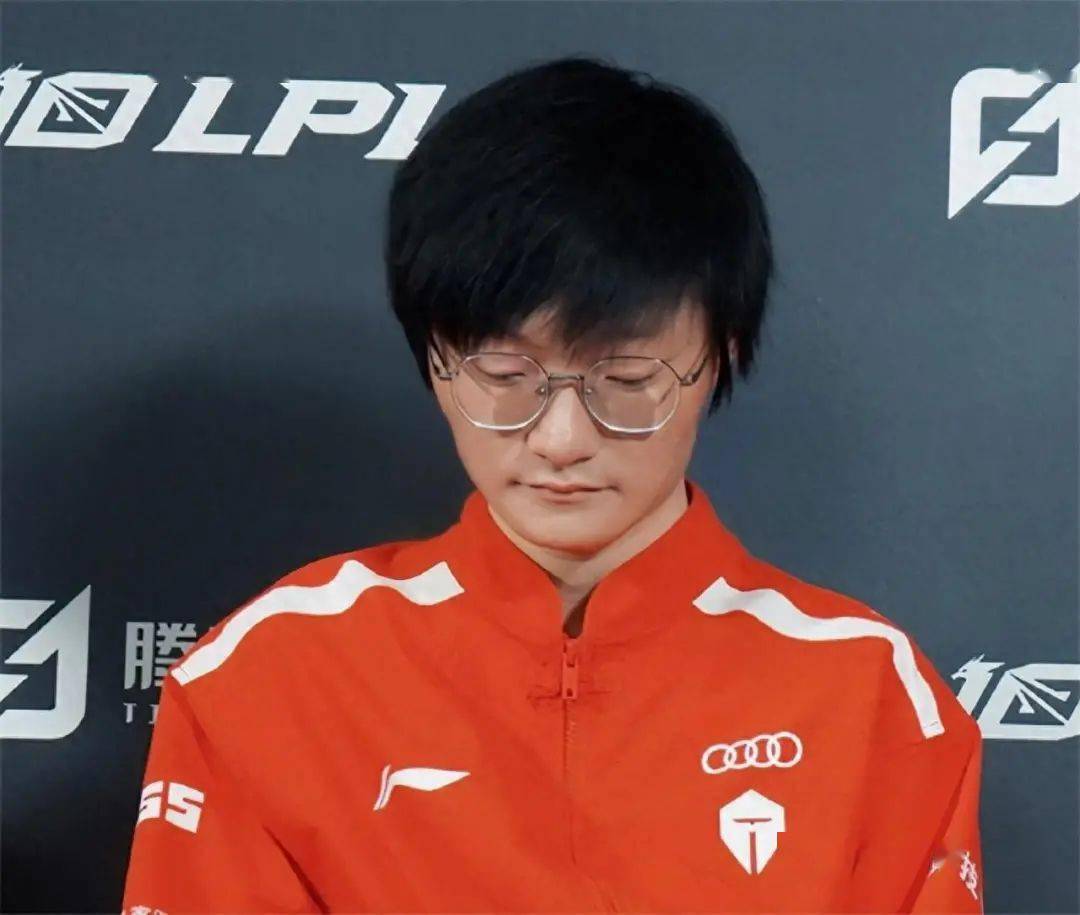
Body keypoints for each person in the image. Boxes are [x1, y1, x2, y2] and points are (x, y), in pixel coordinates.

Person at [121, 55, 985, 913]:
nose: (561, 439)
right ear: (434, 359)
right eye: (505, 374)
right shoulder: (272, 678)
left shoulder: (870, 697)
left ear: (719, 356)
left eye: (627, 378)